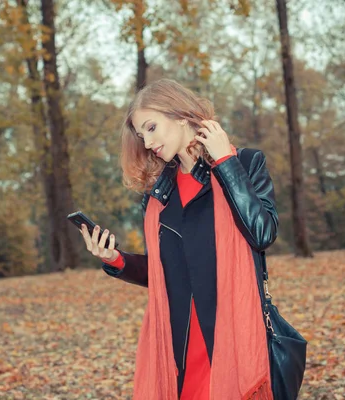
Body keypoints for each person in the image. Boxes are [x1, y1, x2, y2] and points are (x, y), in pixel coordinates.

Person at [78, 79, 279, 400]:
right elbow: (163, 273)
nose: (147, 141)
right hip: (181, 344)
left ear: (182, 115)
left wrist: (225, 162)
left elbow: (262, 233)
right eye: (141, 135)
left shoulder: (246, 164)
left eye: (152, 127)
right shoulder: (159, 196)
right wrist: (114, 259)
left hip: (235, 337)